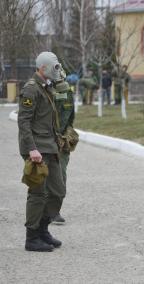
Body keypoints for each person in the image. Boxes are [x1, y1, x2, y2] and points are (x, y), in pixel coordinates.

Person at [17, 51, 66, 252]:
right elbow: (24, 122)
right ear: (43, 67)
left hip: (50, 146)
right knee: (37, 193)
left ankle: (43, 230)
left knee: (57, 191)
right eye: (54, 67)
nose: (57, 71)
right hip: (37, 149)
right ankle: (32, 237)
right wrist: (32, 149)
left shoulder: (47, 87)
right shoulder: (31, 89)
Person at [51, 67, 78, 224]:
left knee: (60, 174)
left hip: (60, 140)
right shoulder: (38, 90)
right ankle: (40, 210)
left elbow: (69, 116)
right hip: (43, 139)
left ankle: (54, 211)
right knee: (41, 174)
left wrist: (65, 136)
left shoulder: (66, 92)